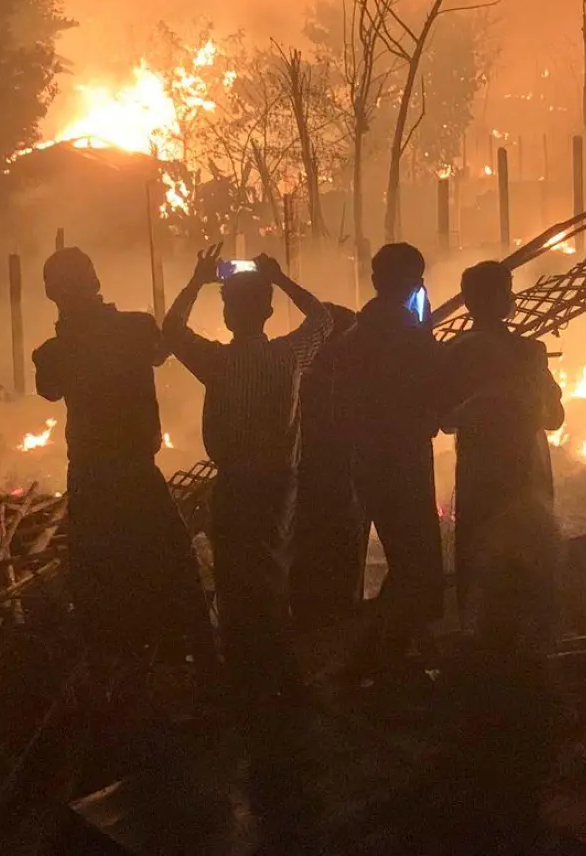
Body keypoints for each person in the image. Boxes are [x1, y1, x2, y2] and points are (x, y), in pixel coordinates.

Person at [33, 246, 215, 672]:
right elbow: (166, 341)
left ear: (52, 295)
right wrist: (194, 283)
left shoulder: (54, 352)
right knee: (175, 567)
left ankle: (117, 672)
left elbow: (49, 386)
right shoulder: (133, 329)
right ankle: (200, 664)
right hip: (135, 473)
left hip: (93, 480)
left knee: (99, 579)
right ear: (96, 282)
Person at [164, 247, 333, 704]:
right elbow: (321, 318)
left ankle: (245, 672)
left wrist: (198, 279)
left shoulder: (217, 362)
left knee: (236, 576)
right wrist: (280, 277)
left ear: (227, 313)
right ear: (268, 310)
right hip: (279, 484)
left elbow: (172, 331)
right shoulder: (288, 357)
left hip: (236, 482)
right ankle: (280, 670)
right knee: (271, 570)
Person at [335, 243, 445, 685]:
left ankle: (385, 652)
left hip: (367, 461)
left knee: (405, 560)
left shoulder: (354, 336)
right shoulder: (411, 337)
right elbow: (436, 399)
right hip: (405, 461)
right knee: (417, 565)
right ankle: (378, 658)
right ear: (413, 283)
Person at [435, 260, 564, 622]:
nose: (513, 297)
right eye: (507, 290)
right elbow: (554, 418)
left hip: (479, 478)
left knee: (479, 562)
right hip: (527, 476)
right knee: (530, 566)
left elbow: (443, 420)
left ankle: (479, 643)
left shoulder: (453, 353)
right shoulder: (529, 353)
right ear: (497, 298)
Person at [288, 302, 365, 631]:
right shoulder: (314, 382)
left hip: (318, 481)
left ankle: (319, 613)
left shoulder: (301, 378)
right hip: (327, 479)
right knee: (332, 544)